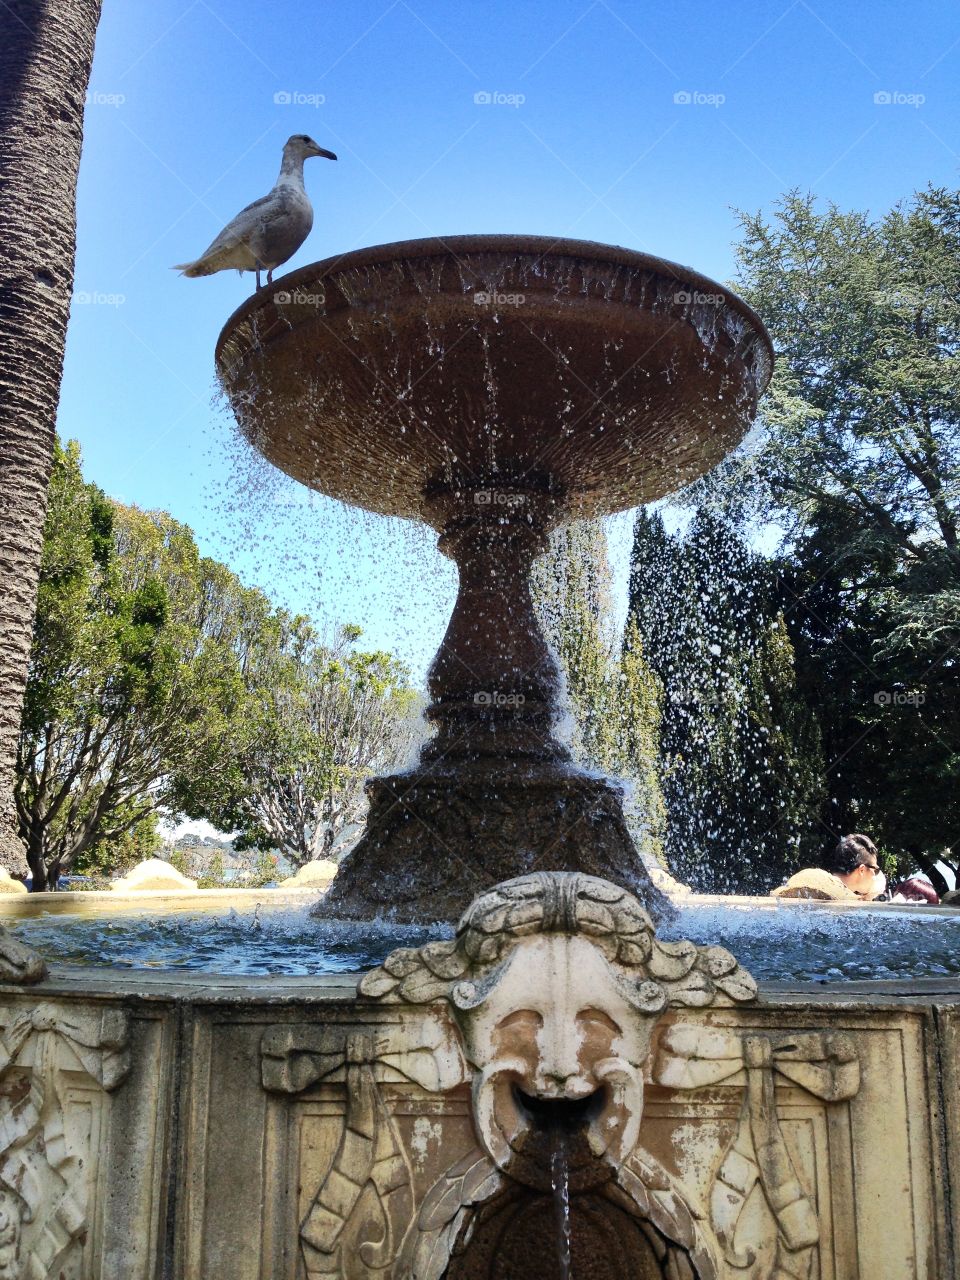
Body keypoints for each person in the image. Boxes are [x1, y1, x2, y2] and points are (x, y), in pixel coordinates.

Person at [771, 834, 887, 902]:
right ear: (861, 870)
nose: (875, 875)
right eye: (875, 870)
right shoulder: (840, 897)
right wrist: (873, 895)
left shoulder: (812, 874)